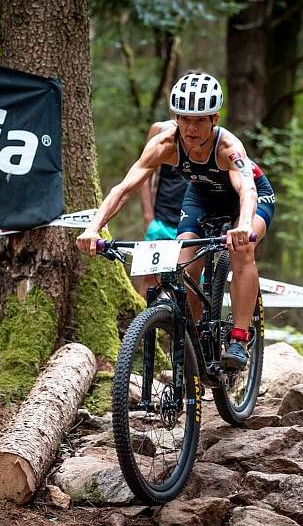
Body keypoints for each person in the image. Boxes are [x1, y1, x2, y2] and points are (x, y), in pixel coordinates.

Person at [76, 72, 275, 369]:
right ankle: (193, 343)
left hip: (248, 200)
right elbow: (124, 188)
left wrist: (243, 224)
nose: (191, 128)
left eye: (199, 120)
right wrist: (93, 228)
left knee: (241, 250)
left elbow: (246, 189)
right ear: (175, 118)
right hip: (201, 196)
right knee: (184, 261)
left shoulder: (228, 148)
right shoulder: (165, 143)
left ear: (214, 119)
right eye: (184, 119)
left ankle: (239, 338)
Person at [138, 119, 188, 298]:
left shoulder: (210, 134)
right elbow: (144, 173)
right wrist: (148, 217)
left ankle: (185, 326)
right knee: (150, 281)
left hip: (193, 224)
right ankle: (144, 325)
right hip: (162, 220)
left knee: (192, 285)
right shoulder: (160, 129)